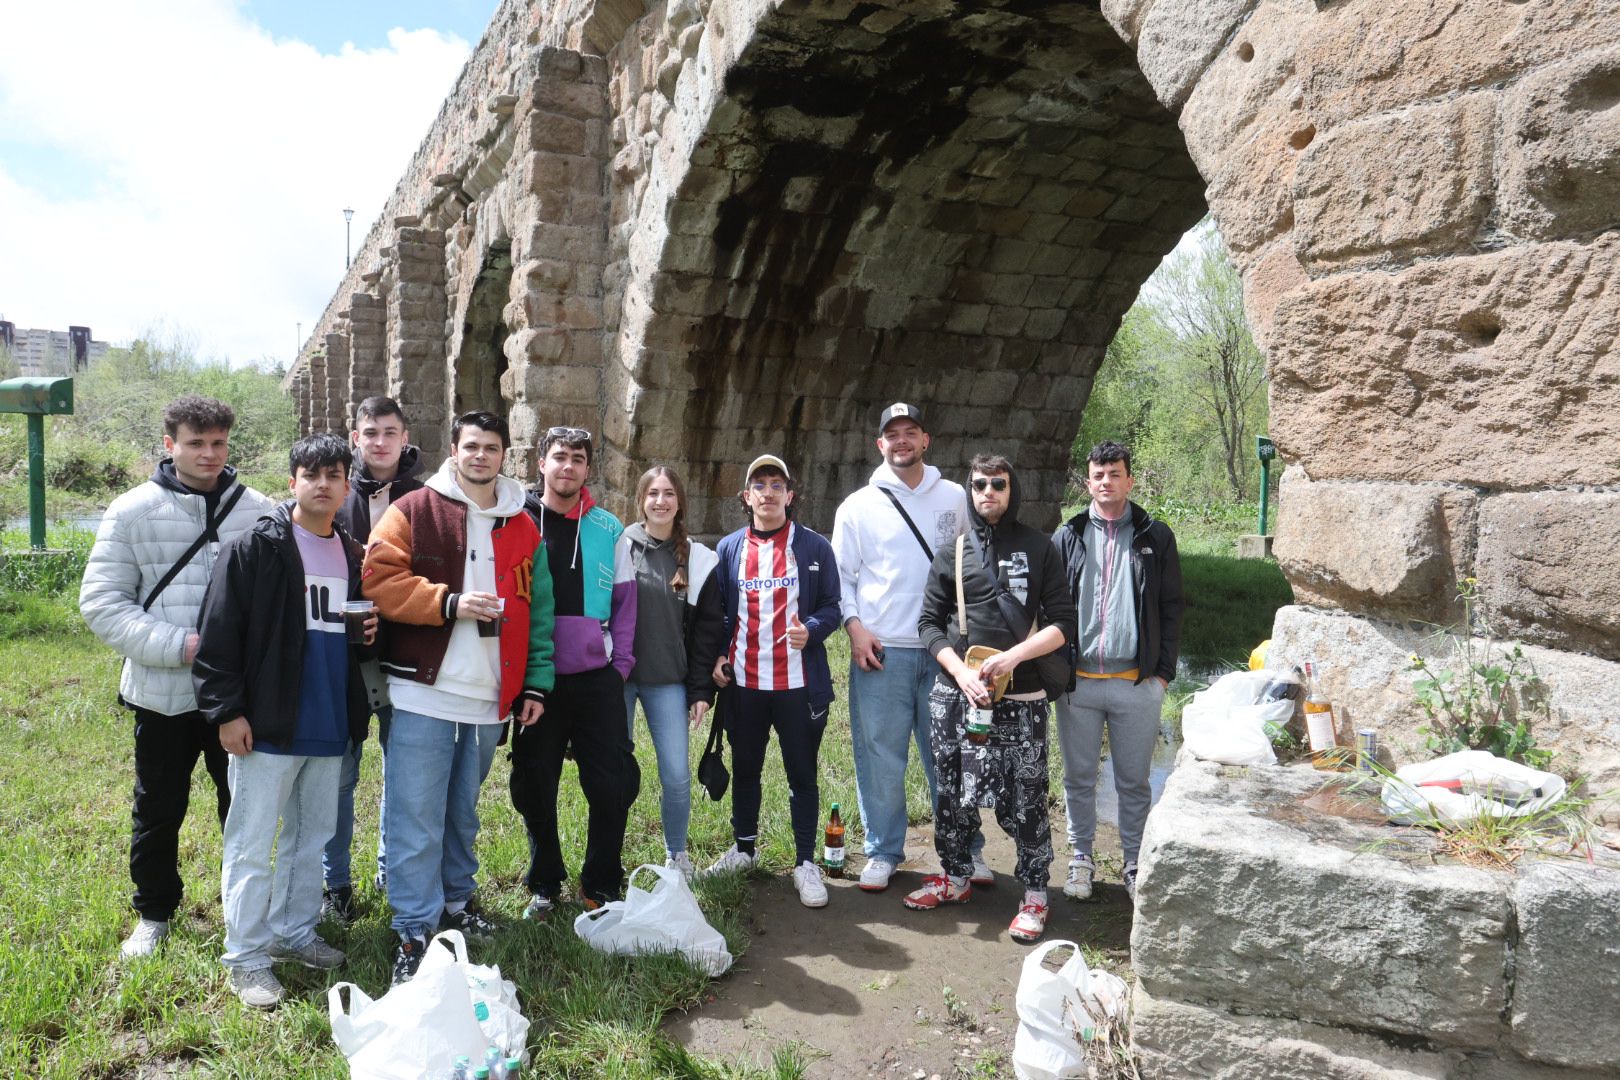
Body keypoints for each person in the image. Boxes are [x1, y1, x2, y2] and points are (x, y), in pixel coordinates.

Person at [79, 395, 274, 960]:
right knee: (159, 808)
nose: (209, 454)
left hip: (236, 698)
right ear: (170, 445)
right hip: (163, 694)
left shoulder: (258, 510)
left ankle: (244, 910)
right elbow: (103, 603)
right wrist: (182, 646)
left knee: (242, 809)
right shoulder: (131, 511)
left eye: (218, 443)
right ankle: (155, 912)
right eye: (196, 444)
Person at [362, 410, 554, 984]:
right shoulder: (413, 510)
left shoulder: (523, 523)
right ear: (453, 449)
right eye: (471, 446)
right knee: (415, 814)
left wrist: (534, 682)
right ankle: (413, 930)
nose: (480, 456)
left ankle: (456, 904)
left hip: (488, 697)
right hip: (423, 689)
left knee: (461, 814)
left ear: (504, 455)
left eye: (491, 448)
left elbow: (538, 609)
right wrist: (449, 603)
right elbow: (379, 578)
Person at [192, 433, 376, 1008]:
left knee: (310, 837)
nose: (323, 484)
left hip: (326, 721)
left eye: (334, 475)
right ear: (292, 480)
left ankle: (293, 933)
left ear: (347, 486)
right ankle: (245, 956)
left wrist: (366, 634)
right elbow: (217, 635)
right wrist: (227, 712)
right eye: (311, 474)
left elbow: (338, 631)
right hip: (268, 723)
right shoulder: (256, 547)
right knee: (250, 842)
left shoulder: (351, 552)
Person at [907, 454, 1075, 943]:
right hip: (958, 697)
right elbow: (928, 625)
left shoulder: (1040, 548)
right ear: (970, 490)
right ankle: (957, 876)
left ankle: (1035, 893)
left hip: (1020, 696)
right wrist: (959, 673)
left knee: (1025, 796)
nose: (988, 492)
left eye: (997, 484)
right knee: (951, 791)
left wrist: (1014, 657)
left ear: (1011, 488)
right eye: (979, 484)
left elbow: (1063, 623)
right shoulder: (952, 553)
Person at [831, 402, 988, 893]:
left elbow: (977, 569)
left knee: (953, 757)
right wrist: (855, 628)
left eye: (910, 433)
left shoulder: (956, 497)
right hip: (883, 651)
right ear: (880, 445)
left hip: (945, 653)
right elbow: (841, 578)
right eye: (892, 435)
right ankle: (883, 850)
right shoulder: (858, 506)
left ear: (926, 440)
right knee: (880, 755)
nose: (901, 442)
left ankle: (966, 851)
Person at [510, 426, 639, 916]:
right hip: (535, 681)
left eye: (578, 459)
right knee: (533, 782)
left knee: (613, 783)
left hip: (596, 679)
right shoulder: (516, 521)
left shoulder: (609, 528)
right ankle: (544, 882)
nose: (568, 466)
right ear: (541, 463)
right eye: (559, 456)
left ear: (588, 469)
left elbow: (626, 606)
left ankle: (601, 882)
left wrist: (619, 667)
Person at [708, 454, 842, 909]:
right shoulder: (729, 549)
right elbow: (722, 614)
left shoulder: (814, 547)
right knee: (746, 769)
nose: (768, 492)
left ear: (790, 494)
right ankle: (744, 848)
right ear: (747, 498)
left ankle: (805, 863)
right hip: (745, 684)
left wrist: (814, 629)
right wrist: (717, 659)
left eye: (776, 484)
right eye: (759, 485)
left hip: (798, 685)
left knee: (801, 774)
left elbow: (832, 607)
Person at [1051, 440, 1183, 902]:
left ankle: (1133, 861)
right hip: (1078, 685)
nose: (1105, 482)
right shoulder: (1067, 536)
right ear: (1088, 482)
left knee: (1134, 781)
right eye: (1098, 475)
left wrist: (1161, 675)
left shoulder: (1154, 535)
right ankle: (1081, 859)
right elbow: (1050, 609)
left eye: (1114, 473)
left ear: (1129, 479)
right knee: (1078, 778)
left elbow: (1170, 608)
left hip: (1136, 683)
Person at [324, 395, 426, 920]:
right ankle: (334, 881)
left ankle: (392, 871)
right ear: (355, 438)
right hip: (341, 655)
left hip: (405, 650)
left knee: (402, 770)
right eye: (370, 433)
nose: (380, 442)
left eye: (389, 432)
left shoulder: (428, 498)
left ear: (405, 437)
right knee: (340, 774)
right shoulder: (331, 492)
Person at [621, 466, 727, 879]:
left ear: (679, 501)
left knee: (677, 776)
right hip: (621, 679)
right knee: (614, 774)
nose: (661, 501)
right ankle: (607, 858)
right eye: (653, 494)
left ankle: (677, 856)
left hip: (667, 680)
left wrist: (700, 690)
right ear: (642, 500)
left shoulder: (697, 560)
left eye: (668, 493)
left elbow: (706, 632)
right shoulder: (621, 547)